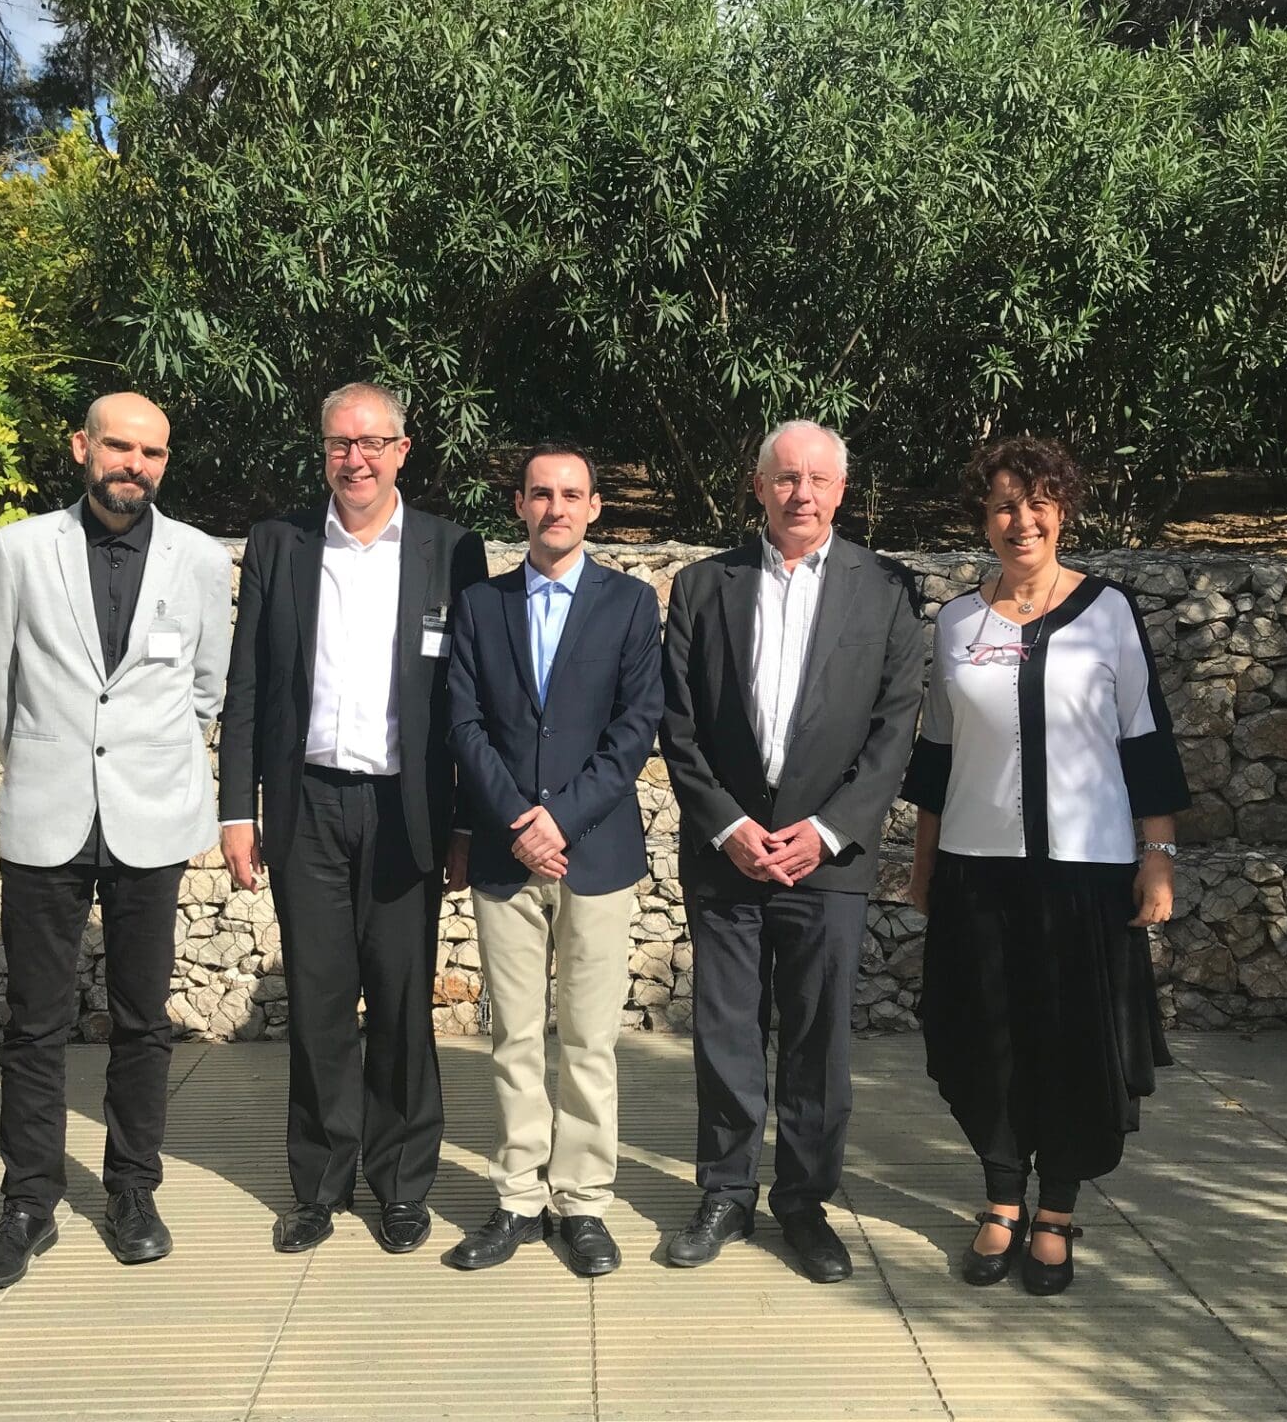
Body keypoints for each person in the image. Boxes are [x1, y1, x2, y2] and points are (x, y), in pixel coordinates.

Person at [902, 435, 1189, 1297]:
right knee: (984, 1038)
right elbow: (937, 759)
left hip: (1087, 875)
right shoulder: (958, 622)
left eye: (1035, 504)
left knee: (1072, 1043)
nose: (1018, 520)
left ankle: (1056, 1208)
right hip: (977, 871)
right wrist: (923, 866)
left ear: (1062, 511)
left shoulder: (1109, 613)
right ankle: (998, 1198)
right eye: (1001, 505)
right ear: (982, 519)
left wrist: (1159, 859)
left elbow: (1145, 742)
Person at [0, 392, 234, 1293]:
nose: (135, 465)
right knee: (35, 1024)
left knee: (144, 1021)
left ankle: (131, 1190)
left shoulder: (196, 557)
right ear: (83, 447)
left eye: (152, 453)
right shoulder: (23, 549)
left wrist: (143, 762)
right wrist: (49, 763)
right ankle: (28, 1204)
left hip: (150, 817)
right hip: (48, 813)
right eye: (119, 446)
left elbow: (205, 686)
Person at [217, 381, 488, 1256]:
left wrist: (468, 827)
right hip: (308, 805)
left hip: (408, 808)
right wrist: (236, 810)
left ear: (403, 451)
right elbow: (248, 686)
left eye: (372, 443)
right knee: (320, 1006)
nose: (355, 459)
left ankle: (403, 1186)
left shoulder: (453, 550)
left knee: (405, 1005)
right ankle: (320, 1185)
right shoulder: (281, 544)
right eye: (340, 443)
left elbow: (469, 702)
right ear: (323, 450)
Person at [659, 419, 926, 1283]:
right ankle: (726, 1193)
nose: (801, 493)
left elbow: (894, 732)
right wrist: (731, 827)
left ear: (843, 492)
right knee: (726, 1032)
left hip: (828, 861)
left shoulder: (885, 590)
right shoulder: (705, 586)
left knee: (817, 1041)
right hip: (727, 856)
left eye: (817, 479)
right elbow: (678, 725)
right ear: (759, 487)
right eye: (785, 478)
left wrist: (825, 830)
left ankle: (804, 1203)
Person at [445, 444, 663, 1277]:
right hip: (506, 856)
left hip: (596, 853)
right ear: (520, 504)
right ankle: (516, 1198)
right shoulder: (479, 604)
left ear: (596, 507)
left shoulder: (632, 605)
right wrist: (515, 820)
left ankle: (582, 1202)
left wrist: (559, 820)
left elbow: (634, 729)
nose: (557, 507)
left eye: (573, 494)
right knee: (514, 1037)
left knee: (589, 1039)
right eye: (542, 494)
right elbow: (464, 725)